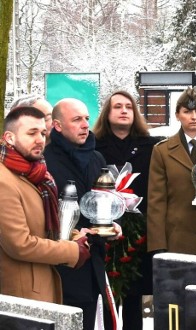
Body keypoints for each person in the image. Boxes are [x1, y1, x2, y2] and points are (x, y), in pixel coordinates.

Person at [0, 107, 90, 303]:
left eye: (42, 133)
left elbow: (45, 227)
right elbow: (19, 245)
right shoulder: (4, 180)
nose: (40, 139)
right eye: (31, 133)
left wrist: (75, 236)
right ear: (10, 138)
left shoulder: (37, 174)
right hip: (20, 295)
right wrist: (71, 250)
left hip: (40, 287)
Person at [44, 98, 120, 330]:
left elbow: (104, 200)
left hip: (94, 259)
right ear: (57, 126)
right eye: (77, 119)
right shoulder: (45, 161)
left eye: (87, 118)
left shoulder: (96, 158)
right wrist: (74, 233)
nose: (85, 125)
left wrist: (112, 223)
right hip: (60, 263)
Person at [93, 90, 161, 330]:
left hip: (144, 232)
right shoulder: (93, 145)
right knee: (108, 295)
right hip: (106, 231)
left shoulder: (153, 146)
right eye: (117, 107)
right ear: (106, 113)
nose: (124, 111)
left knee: (145, 297)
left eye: (129, 107)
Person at [147, 87, 196, 276]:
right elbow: (156, 201)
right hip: (178, 237)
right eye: (187, 111)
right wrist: (158, 245)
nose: (193, 117)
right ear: (177, 115)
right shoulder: (163, 151)